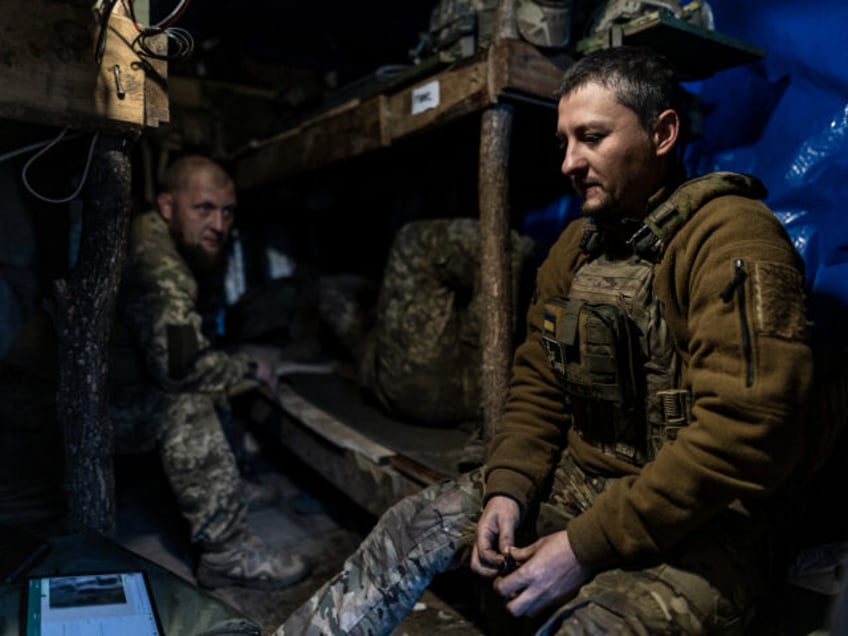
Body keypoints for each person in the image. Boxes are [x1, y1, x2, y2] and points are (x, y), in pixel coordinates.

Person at [274, 45, 816, 635]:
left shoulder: (729, 238)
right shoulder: (576, 248)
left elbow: (747, 433)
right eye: (564, 143)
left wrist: (583, 547)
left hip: (704, 522)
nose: (569, 162)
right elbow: (538, 384)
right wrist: (508, 487)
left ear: (661, 134)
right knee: (415, 523)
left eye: (591, 137)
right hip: (583, 487)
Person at [108, 154, 310, 590]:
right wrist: (251, 366)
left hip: (111, 389)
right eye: (204, 209)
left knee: (211, 370)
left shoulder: (177, 242)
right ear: (167, 206)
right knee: (186, 402)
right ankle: (227, 552)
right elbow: (181, 371)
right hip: (56, 412)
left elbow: (189, 346)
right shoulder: (157, 263)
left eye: (227, 211)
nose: (219, 224)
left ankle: (227, 488)